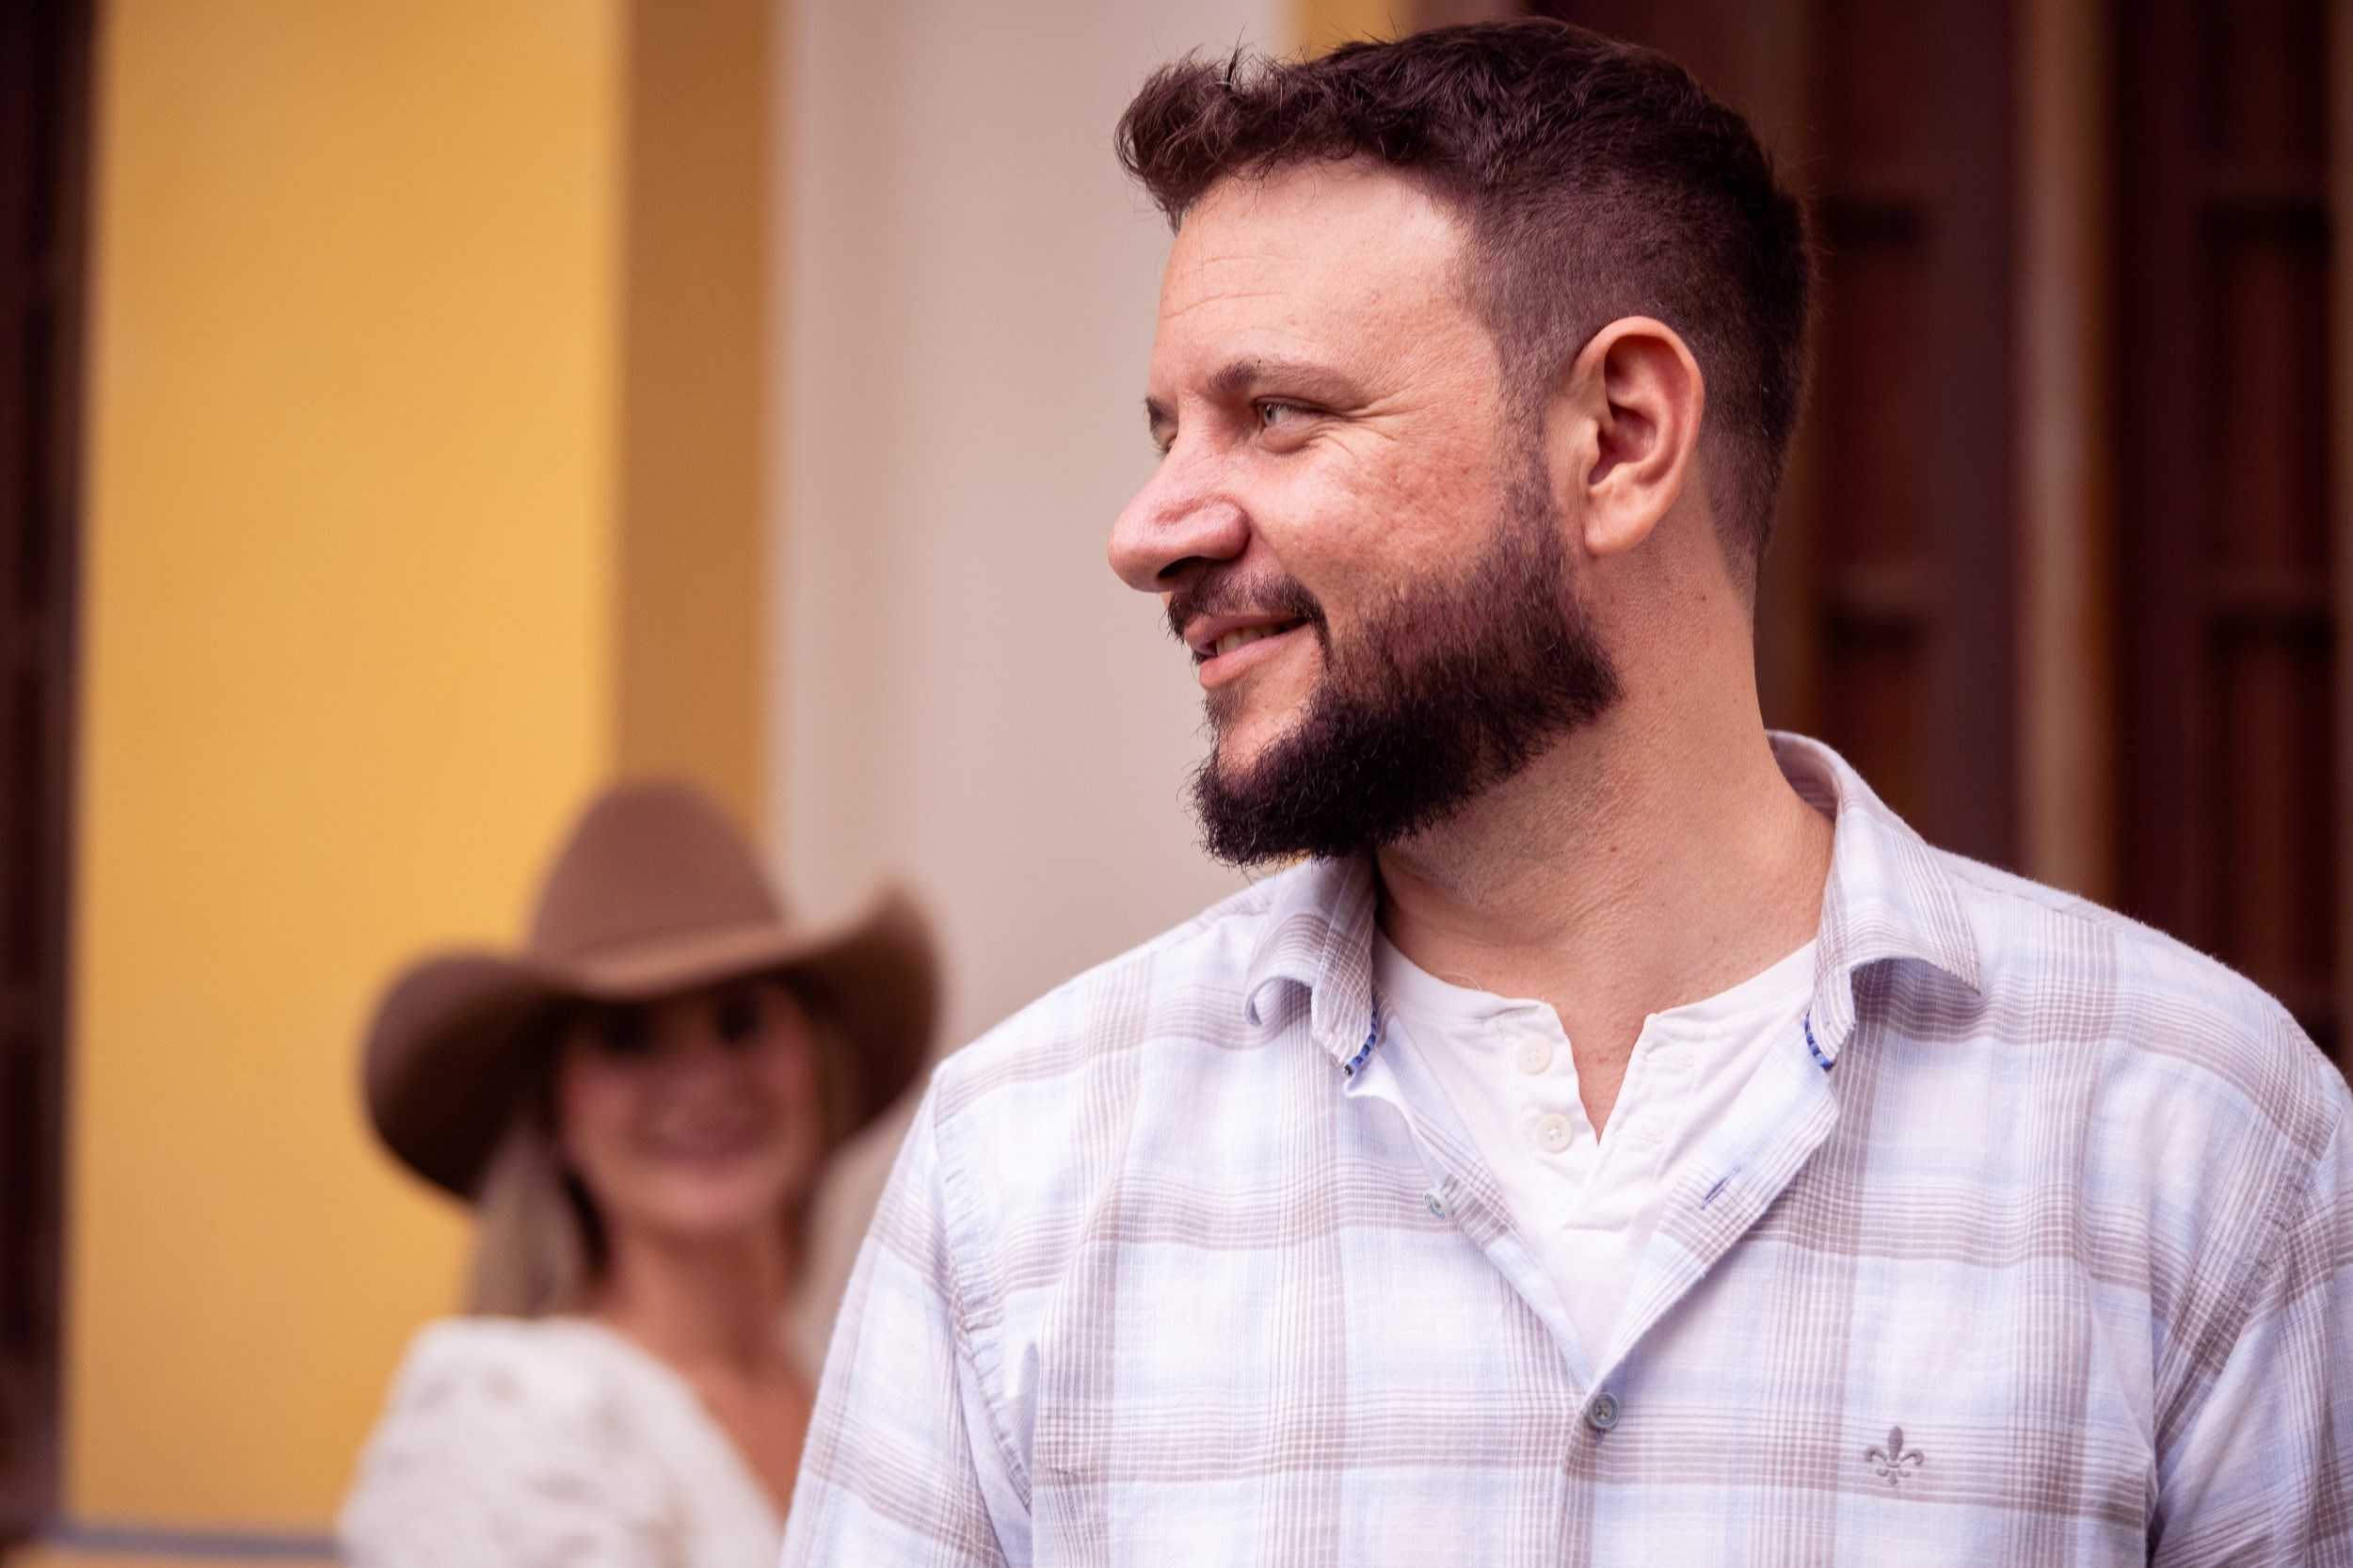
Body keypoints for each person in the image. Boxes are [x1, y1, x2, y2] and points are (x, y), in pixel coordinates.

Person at [784, 20, 2353, 1567]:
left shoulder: (2203, 1142)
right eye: (1168, 429)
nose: (1151, 529)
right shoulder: (1024, 1171)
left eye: (1276, 415)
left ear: (1619, 438)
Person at [340, 780, 934, 1566]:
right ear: (555, 1116)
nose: (702, 1081)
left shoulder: (875, 1405)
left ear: (816, 1068)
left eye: (742, 1020)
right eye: (627, 1039)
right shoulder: (508, 1426)